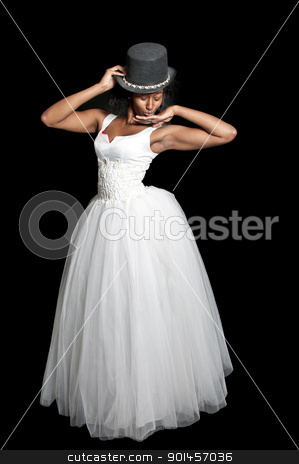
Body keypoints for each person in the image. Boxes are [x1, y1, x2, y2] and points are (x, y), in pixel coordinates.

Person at [40, 42, 236, 442]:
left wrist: (177, 111)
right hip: (101, 219)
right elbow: (50, 118)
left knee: (141, 308)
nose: (151, 104)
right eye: (145, 95)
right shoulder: (102, 118)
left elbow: (227, 133)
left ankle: (146, 400)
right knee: (103, 312)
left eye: (158, 95)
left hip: (138, 224)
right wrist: (97, 85)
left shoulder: (161, 133)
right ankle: (112, 393)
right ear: (128, 90)